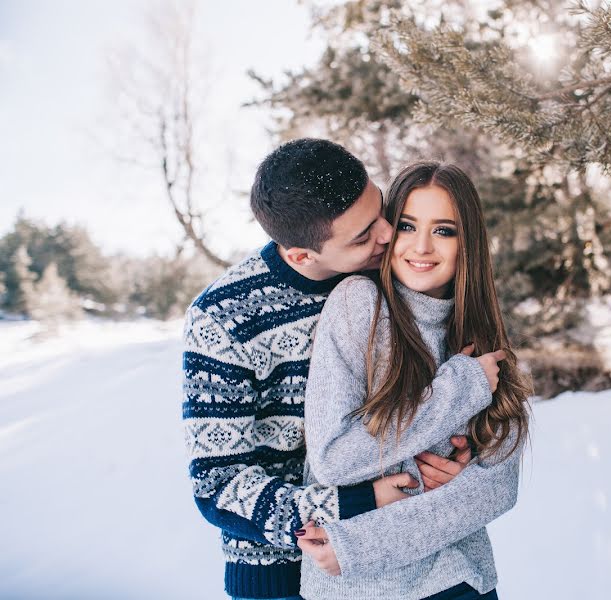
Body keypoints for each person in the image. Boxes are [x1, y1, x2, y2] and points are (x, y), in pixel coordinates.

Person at [182, 140, 502, 600]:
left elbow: (436, 390)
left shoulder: (388, 271)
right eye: (363, 235)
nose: (389, 235)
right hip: (277, 572)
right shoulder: (224, 317)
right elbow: (218, 484)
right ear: (301, 256)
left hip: (394, 557)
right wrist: (354, 502)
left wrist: (459, 454)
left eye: (380, 212)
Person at [299, 161, 531, 600]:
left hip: (461, 580)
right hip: (363, 588)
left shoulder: (479, 331)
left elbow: (498, 487)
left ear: (468, 243)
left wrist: (455, 480)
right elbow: (333, 458)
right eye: (408, 225)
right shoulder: (359, 307)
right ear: (389, 231)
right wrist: (458, 390)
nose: (422, 246)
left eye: (444, 230)